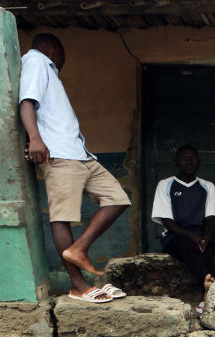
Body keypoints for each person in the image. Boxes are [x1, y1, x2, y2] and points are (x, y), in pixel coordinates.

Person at [19, 33, 131, 303]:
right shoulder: (36, 61)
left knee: (117, 198)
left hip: (80, 154)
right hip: (58, 154)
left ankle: (78, 249)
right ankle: (78, 285)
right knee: (62, 218)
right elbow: (26, 102)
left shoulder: (49, 72)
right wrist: (35, 138)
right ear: (55, 51)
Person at [151, 145, 215, 296]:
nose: (189, 162)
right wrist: (192, 236)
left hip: (202, 236)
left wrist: (205, 237)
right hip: (176, 237)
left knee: (208, 250)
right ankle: (214, 279)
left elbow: (211, 217)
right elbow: (167, 221)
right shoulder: (165, 185)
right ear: (177, 162)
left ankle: (208, 289)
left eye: (192, 159)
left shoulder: (207, 186)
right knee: (190, 248)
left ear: (198, 162)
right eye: (184, 158)